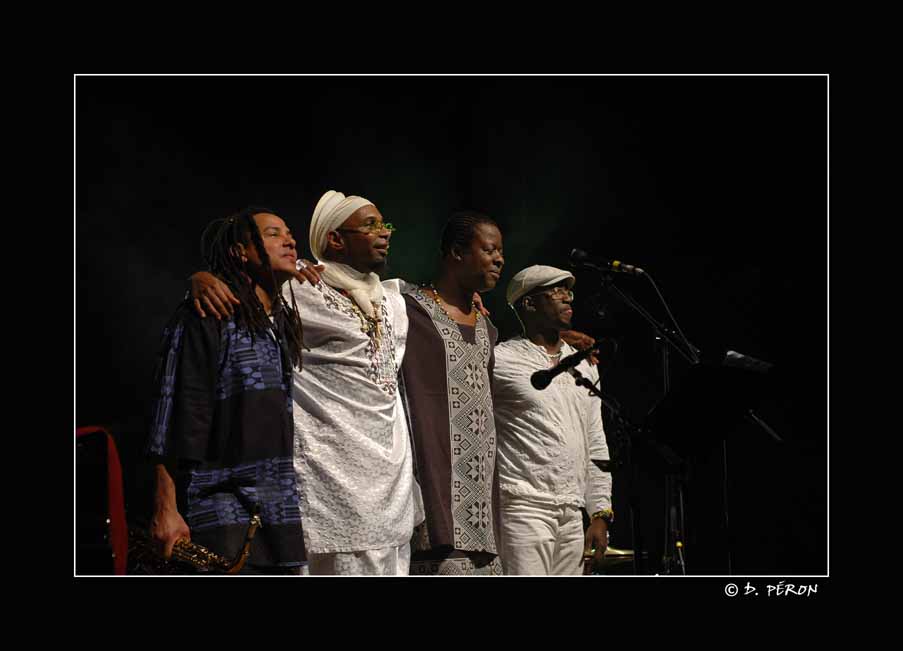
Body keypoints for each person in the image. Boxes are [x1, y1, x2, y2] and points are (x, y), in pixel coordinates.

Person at [190, 191, 421, 575]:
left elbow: (445, 303)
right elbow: (241, 287)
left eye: (385, 224)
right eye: (370, 225)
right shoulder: (299, 286)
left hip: (391, 479)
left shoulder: (394, 299)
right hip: (330, 474)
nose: (384, 233)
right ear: (334, 239)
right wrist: (200, 279)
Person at [146, 207, 307, 574]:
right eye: (272, 233)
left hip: (280, 510)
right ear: (239, 251)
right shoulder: (208, 314)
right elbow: (170, 411)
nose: (290, 239)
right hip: (220, 509)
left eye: (289, 232)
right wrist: (165, 507)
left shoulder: (281, 319)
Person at [400, 211, 506, 575]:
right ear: (456, 253)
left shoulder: (488, 329)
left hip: (482, 504)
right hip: (431, 493)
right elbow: (363, 286)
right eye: (489, 249)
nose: (499, 259)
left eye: (501, 252)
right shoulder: (408, 309)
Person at [491, 265, 613, 575]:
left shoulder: (584, 366)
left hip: (571, 510)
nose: (566, 298)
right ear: (529, 304)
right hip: (522, 505)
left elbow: (594, 437)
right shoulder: (501, 359)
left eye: (568, 291)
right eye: (555, 291)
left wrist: (599, 512)